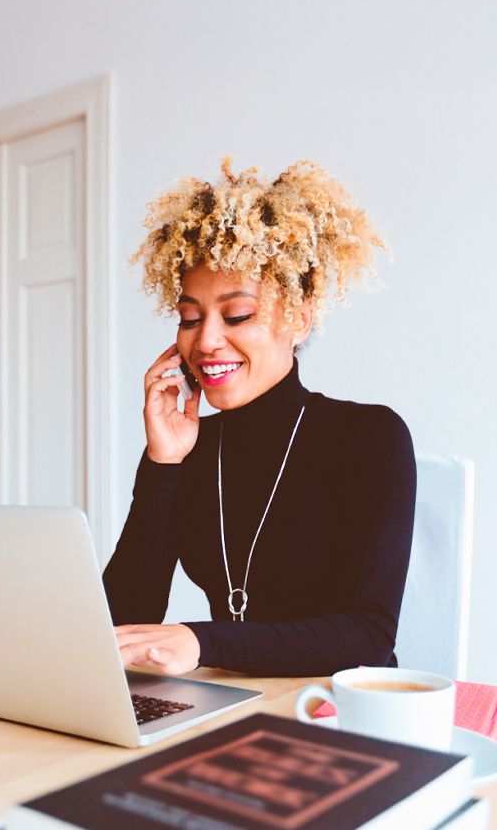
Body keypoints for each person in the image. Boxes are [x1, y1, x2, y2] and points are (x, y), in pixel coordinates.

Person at [103, 158, 416, 678]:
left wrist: (202, 643)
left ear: (298, 316)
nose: (204, 341)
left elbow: (369, 638)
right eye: (189, 318)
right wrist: (162, 464)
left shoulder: (369, 438)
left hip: (336, 713)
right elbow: (121, 625)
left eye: (237, 315)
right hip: (229, 703)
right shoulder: (188, 450)